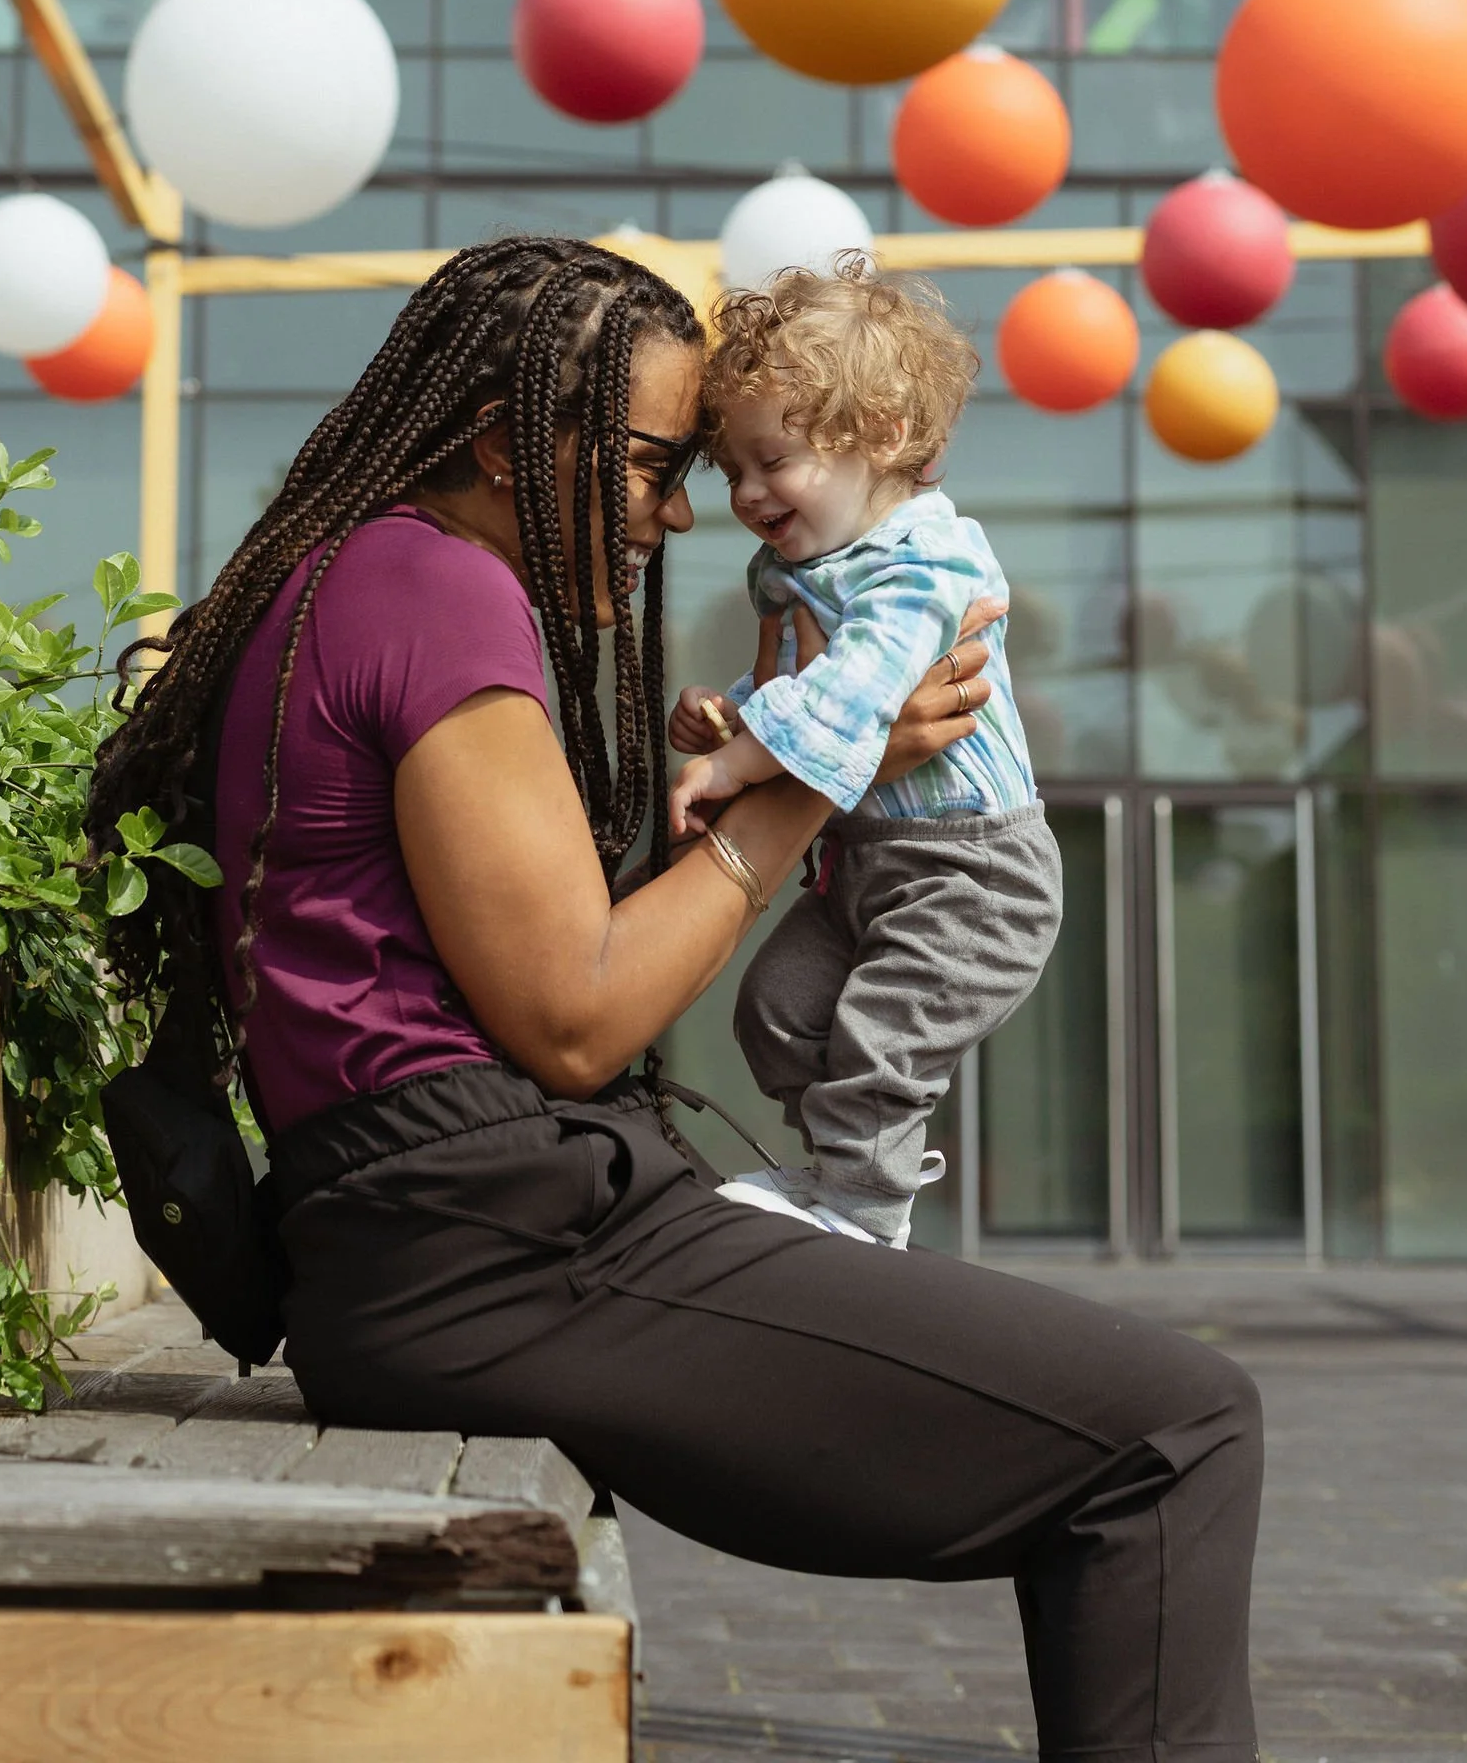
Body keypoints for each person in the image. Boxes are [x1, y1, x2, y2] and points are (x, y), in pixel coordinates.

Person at [89, 233, 1262, 1763]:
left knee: (1145, 1424)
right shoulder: (434, 592)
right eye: (652, 465)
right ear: (517, 446)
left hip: (446, 1230)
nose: (680, 510)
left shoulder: (342, 581)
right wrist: (839, 772)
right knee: (1180, 1431)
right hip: (499, 1242)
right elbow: (576, 1015)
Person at [668, 263, 1062, 1247]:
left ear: (881, 438)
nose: (749, 492)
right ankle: (837, 1169)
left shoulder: (924, 563)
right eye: (733, 473)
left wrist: (736, 766)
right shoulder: (811, 571)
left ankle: (863, 1210)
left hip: (969, 872)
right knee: (775, 1010)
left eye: (775, 461)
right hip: (865, 864)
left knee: (882, 1038)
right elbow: (809, 691)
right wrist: (734, 718)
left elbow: (857, 691)